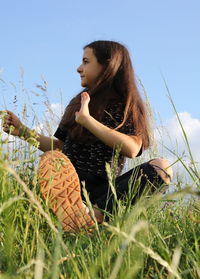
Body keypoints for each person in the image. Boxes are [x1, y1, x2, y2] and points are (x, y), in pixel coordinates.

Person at [3, 40, 173, 232]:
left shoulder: (128, 106)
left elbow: (132, 149)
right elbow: (60, 147)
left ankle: (90, 218)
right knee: (52, 158)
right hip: (67, 187)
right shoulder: (78, 102)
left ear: (107, 66)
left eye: (86, 61)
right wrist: (23, 132)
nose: (78, 68)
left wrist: (88, 121)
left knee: (161, 167)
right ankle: (73, 214)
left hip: (104, 194)